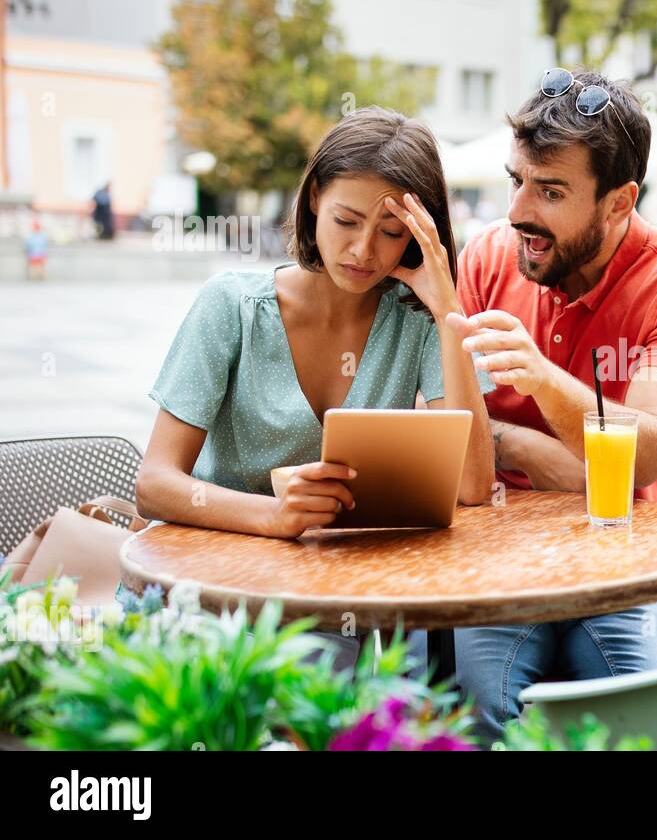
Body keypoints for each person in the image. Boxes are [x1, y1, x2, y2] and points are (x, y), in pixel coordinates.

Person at [135, 107, 496, 667]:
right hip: (199, 591)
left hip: (325, 606)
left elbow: (474, 485)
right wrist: (274, 517)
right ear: (313, 200)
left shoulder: (421, 320)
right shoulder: (232, 306)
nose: (363, 251)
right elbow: (155, 485)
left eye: (392, 233)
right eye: (347, 221)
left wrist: (448, 307)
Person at [450, 68, 657, 739]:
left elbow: (645, 452)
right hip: (500, 546)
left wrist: (540, 380)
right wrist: (517, 447)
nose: (519, 210)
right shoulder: (491, 256)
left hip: (630, 551)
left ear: (618, 201)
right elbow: (444, 425)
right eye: (515, 180)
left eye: (550, 191)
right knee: (485, 714)